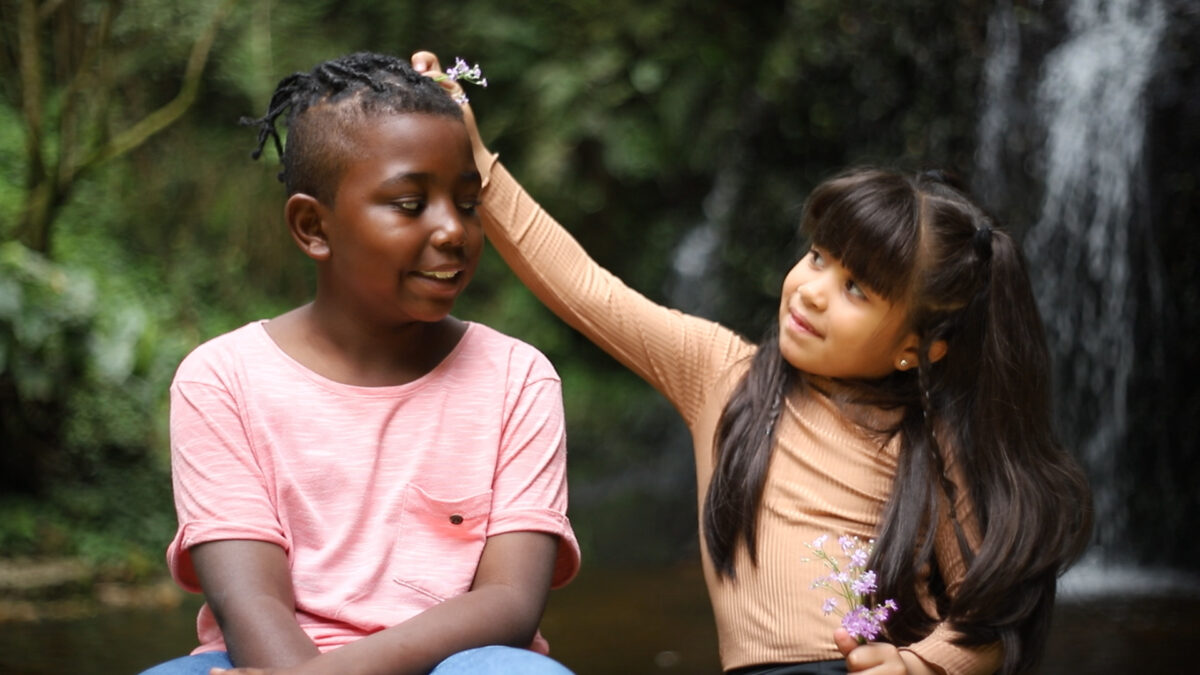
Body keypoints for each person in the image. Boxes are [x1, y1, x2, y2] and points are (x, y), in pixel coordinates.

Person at [412, 51, 1093, 675]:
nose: (813, 291)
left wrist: (914, 666)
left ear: (917, 345)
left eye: (857, 288)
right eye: (819, 257)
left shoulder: (932, 438)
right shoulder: (721, 372)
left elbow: (987, 624)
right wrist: (475, 159)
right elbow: (587, 286)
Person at [138, 52, 580, 675]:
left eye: (467, 201)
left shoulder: (516, 379)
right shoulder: (222, 378)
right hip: (269, 660)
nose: (452, 230)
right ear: (313, 226)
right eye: (409, 203)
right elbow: (250, 602)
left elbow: (510, 602)